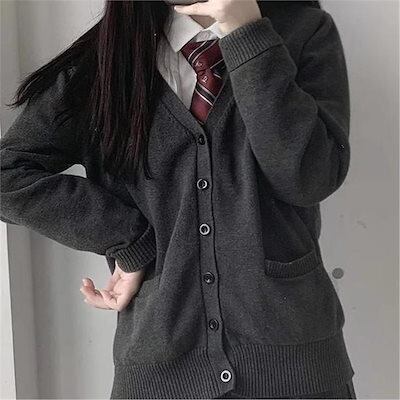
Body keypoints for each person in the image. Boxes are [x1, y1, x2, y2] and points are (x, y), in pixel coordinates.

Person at [0, 0, 357, 398]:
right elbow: (8, 175)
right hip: (161, 374)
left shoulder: (303, 34)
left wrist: (248, 33)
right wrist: (129, 241)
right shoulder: (103, 63)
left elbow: (309, 178)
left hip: (297, 372)